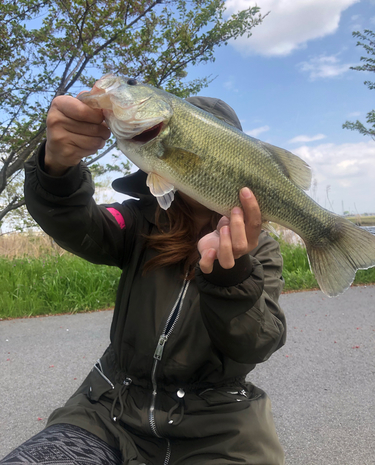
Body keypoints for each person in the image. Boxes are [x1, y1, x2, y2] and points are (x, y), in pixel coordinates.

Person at [1, 91, 287, 465]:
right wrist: (56, 170)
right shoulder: (138, 220)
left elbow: (257, 343)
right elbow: (78, 223)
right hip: (106, 411)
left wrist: (230, 274)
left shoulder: (261, 250)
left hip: (221, 431)